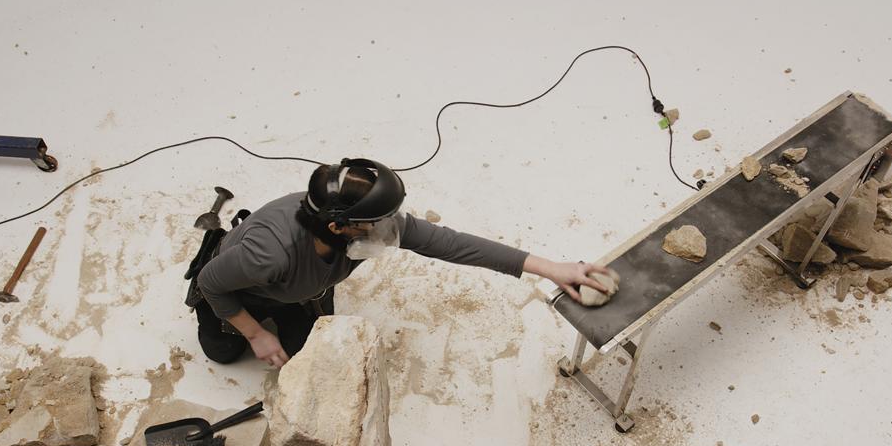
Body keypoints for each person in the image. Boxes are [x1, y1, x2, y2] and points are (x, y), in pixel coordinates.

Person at [193, 158, 612, 368]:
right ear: (340, 227)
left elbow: (453, 244)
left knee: (304, 355)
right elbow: (212, 284)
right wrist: (254, 334)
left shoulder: (354, 224)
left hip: (298, 289)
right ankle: (242, 327)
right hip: (243, 290)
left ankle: (296, 305)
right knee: (223, 352)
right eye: (378, 221)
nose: (391, 228)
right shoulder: (270, 253)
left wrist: (551, 268)